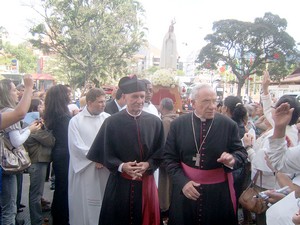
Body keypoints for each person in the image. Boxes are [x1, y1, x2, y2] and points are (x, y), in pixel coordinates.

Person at [164, 83, 247, 225]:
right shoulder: (178, 125)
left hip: (217, 194)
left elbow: (241, 153)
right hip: (186, 191)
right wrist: (183, 183)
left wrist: (232, 159)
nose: (212, 106)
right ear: (193, 103)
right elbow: (169, 158)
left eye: (215, 101)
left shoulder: (228, 125)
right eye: (206, 101)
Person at [87, 75, 164, 225]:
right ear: (125, 97)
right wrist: (122, 166)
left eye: (142, 96)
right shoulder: (112, 122)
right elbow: (104, 152)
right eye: (135, 96)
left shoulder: (155, 122)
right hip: (120, 184)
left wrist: (148, 164)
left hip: (146, 182)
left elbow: (160, 151)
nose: (139, 100)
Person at [0, 79, 41, 225]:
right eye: (13, 90)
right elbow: (16, 141)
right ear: (6, 93)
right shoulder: (9, 112)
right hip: (6, 165)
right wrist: (29, 130)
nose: (17, 93)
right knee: (9, 208)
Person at [68, 88, 110, 225]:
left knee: (105, 201)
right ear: (89, 102)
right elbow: (76, 145)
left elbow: (113, 141)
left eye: (105, 101)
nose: (103, 104)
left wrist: (103, 158)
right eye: (100, 102)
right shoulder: (76, 121)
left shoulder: (108, 119)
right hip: (86, 169)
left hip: (105, 168)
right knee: (84, 205)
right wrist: (96, 158)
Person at [24, 99, 55, 225]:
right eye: (41, 105)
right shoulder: (33, 126)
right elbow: (50, 140)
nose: (43, 107)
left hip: (39, 160)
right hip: (37, 161)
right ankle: (36, 221)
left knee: (37, 192)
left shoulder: (35, 125)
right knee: (35, 194)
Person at [43, 84, 71, 225]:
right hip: (65, 154)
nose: (70, 96)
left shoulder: (54, 112)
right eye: (68, 93)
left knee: (61, 187)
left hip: (59, 153)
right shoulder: (64, 116)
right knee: (63, 188)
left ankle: (58, 215)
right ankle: (61, 218)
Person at [157, 98, 178, 219]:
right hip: (175, 158)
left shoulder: (165, 121)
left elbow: (164, 141)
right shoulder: (177, 118)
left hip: (167, 160)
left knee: (165, 185)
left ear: (163, 107)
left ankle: (165, 209)